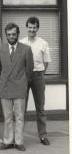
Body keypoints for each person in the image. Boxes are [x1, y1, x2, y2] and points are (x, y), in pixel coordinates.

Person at [0, 23, 33, 151]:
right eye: (9, 34)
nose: (11, 36)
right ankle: (7, 141)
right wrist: (2, 82)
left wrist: (22, 82)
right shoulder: (0, 49)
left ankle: (19, 142)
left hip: (19, 86)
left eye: (13, 34)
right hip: (5, 86)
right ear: (6, 35)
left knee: (19, 116)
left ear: (18, 34)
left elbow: (29, 70)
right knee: (7, 116)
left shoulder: (26, 49)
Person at [20, 16, 51, 146]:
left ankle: (43, 135)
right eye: (30, 27)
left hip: (38, 76)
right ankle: (19, 137)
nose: (32, 30)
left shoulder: (43, 43)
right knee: (21, 107)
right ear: (26, 28)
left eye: (34, 27)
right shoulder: (21, 43)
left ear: (37, 28)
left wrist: (40, 74)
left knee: (40, 107)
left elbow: (46, 61)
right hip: (24, 76)